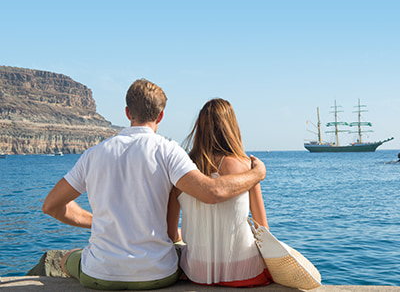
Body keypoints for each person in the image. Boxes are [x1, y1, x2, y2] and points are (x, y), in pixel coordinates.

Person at [42, 79, 266, 291]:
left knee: (66, 259)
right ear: (161, 116)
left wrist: (103, 222)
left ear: (128, 112)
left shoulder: (93, 154)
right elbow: (211, 191)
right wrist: (256, 173)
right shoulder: (168, 151)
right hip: (157, 276)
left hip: (100, 275)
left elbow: (51, 206)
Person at [167, 98, 272, 287]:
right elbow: (263, 230)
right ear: (231, 127)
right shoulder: (248, 168)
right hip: (245, 271)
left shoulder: (182, 171)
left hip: (197, 272)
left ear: (200, 128)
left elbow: (171, 234)